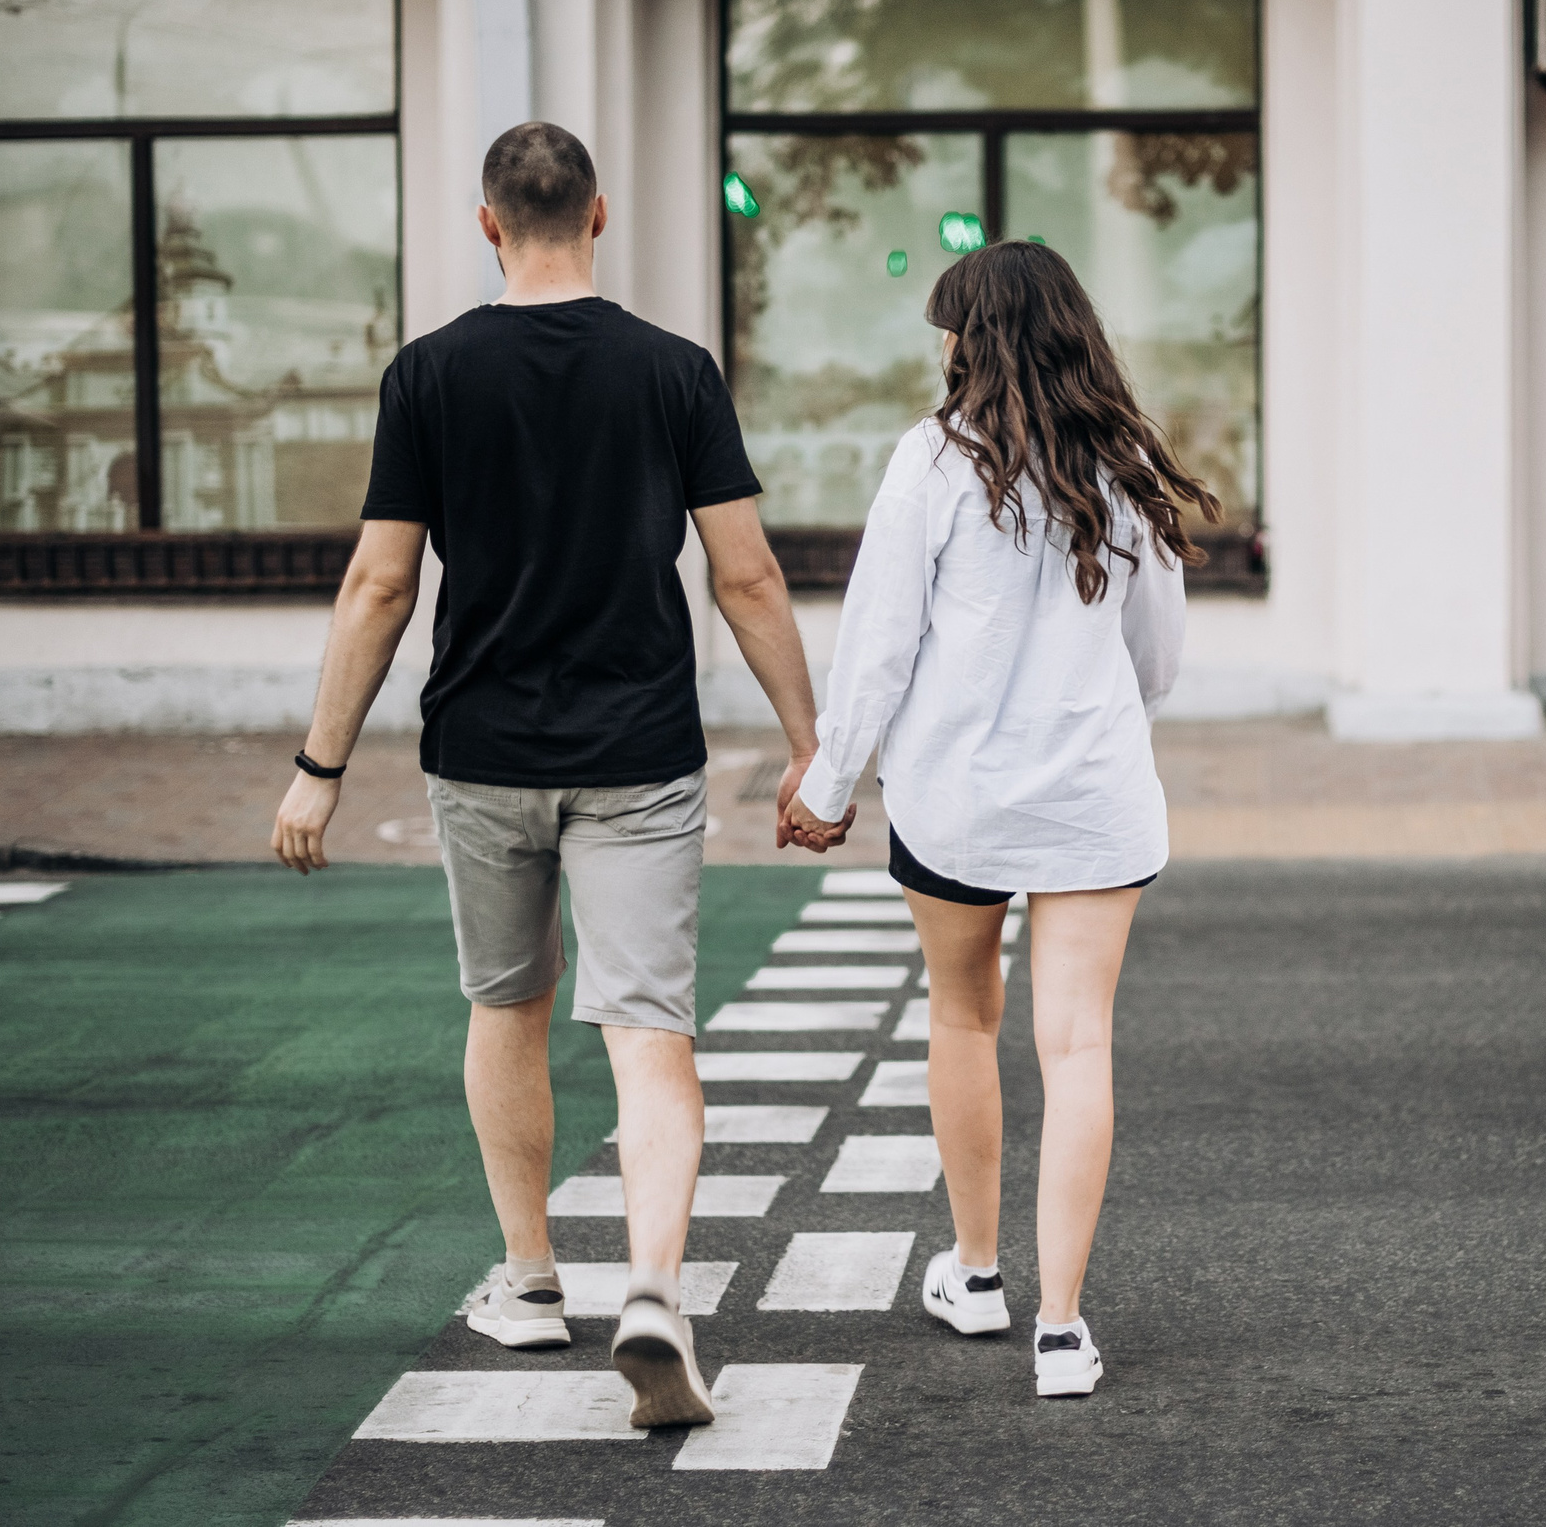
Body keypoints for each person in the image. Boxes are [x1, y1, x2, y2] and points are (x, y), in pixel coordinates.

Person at [270, 121, 849, 1429]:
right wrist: (813, 744)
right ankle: (652, 1288)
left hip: (480, 753)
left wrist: (319, 765)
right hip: (638, 751)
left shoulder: (426, 375)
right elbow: (744, 573)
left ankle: (532, 1280)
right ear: (599, 216)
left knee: (507, 1006)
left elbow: (380, 582)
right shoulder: (673, 372)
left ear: (489, 223)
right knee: (648, 1032)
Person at [784, 240, 1217, 1399]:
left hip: (955, 799)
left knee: (964, 1017)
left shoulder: (931, 459)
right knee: (1075, 1043)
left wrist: (828, 787)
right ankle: (1063, 1329)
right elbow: (1158, 658)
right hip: (1091, 798)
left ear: (968, 341)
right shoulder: (1123, 459)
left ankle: (976, 1274)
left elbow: (877, 646)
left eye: (947, 328)